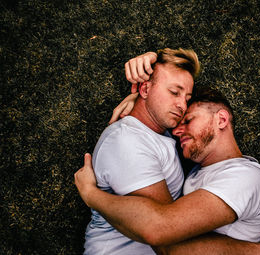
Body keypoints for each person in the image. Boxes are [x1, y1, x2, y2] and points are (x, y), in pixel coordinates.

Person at [76, 70, 260, 253]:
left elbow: (165, 240)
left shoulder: (245, 177)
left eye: (189, 121)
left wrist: (91, 195)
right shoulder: (199, 172)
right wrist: (139, 98)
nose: (176, 131)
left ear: (222, 120)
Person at [81, 48, 199, 254]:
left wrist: (152, 56)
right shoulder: (127, 143)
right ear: (144, 90)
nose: (182, 105)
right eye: (174, 92)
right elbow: (167, 237)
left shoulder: (158, 131)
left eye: (187, 98)